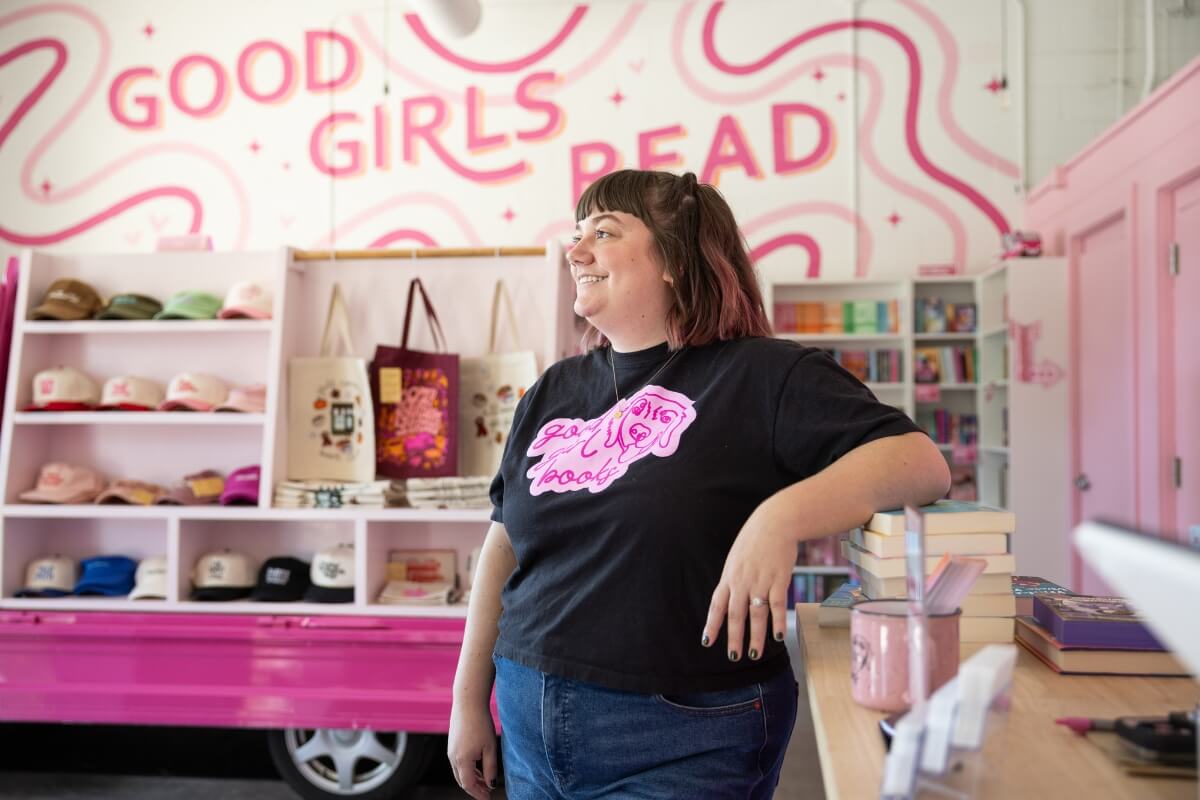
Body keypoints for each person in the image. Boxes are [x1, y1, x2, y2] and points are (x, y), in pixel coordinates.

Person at [448, 169, 950, 799]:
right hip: (526, 713)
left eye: (603, 232)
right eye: (576, 234)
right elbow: (503, 546)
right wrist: (468, 700)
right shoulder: (553, 389)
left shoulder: (766, 373)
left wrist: (780, 516)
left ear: (675, 261)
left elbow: (919, 462)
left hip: (684, 734)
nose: (575, 252)